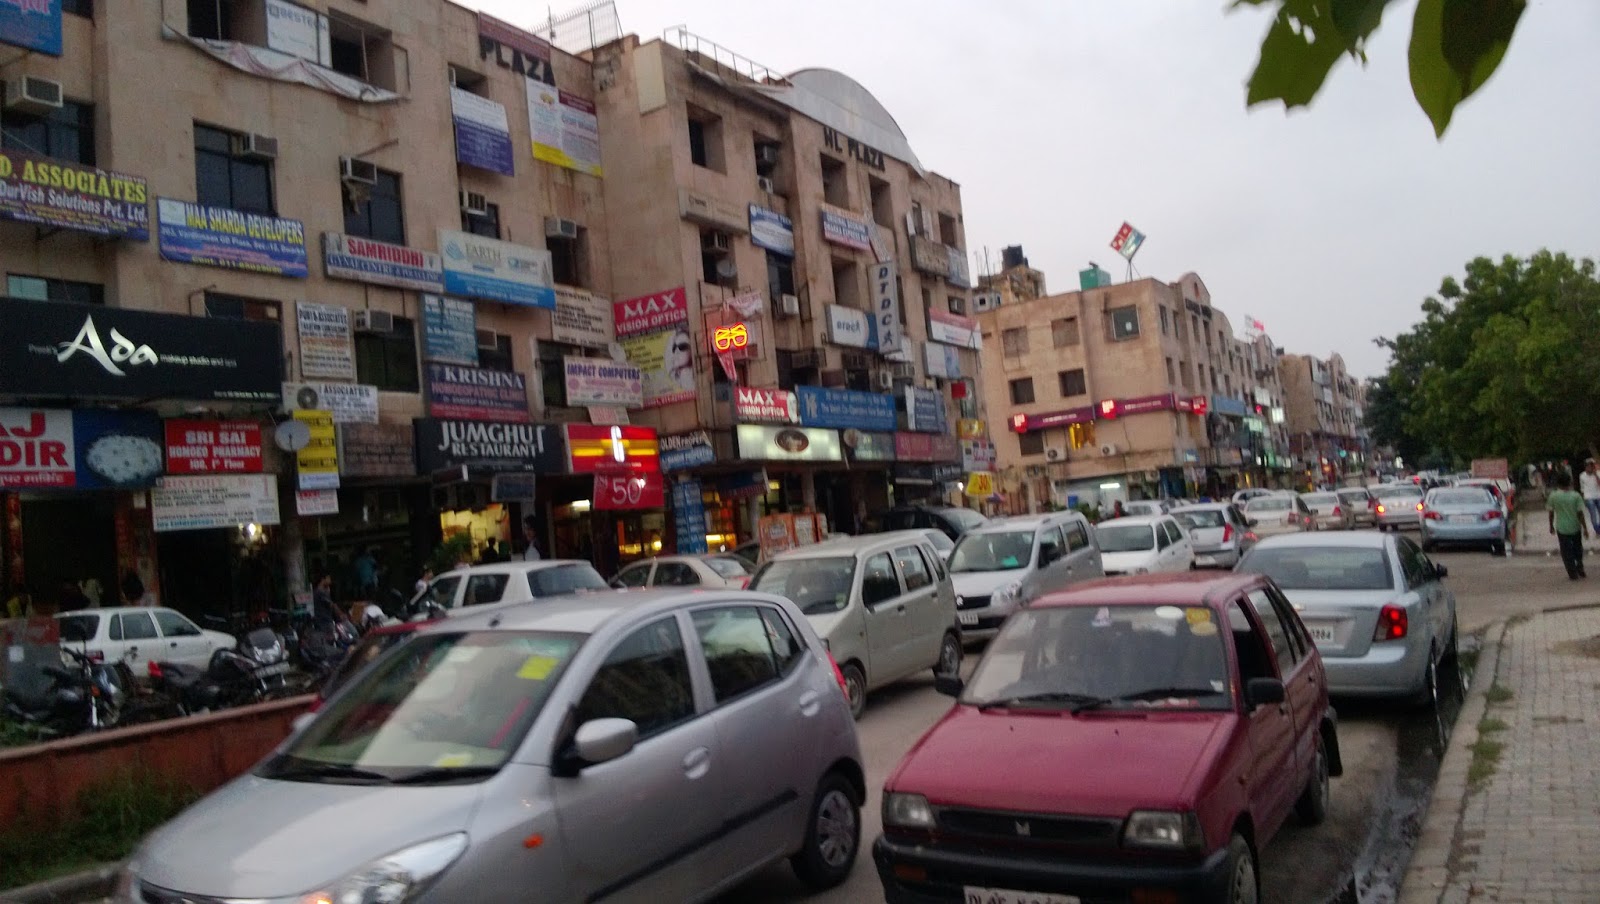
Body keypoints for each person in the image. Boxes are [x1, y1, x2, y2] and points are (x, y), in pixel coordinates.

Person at [1547, 473, 1589, 580]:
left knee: (1566, 551)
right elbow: (1580, 514)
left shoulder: (1553, 496)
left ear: (1558, 483)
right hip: (1575, 526)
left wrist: (1551, 526)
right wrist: (1585, 528)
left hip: (1562, 528)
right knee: (1577, 548)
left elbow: (1551, 513)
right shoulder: (1576, 496)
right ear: (1570, 482)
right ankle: (1579, 566)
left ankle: (1572, 572)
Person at [1579, 459, 1600, 534]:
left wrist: (1596, 475)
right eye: (1588, 466)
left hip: (1598, 495)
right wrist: (1583, 499)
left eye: (1591, 466)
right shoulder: (1582, 475)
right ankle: (1597, 529)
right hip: (1588, 497)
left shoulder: (1598, 473)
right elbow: (1582, 488)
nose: (1589, 468)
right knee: (1593, 514)